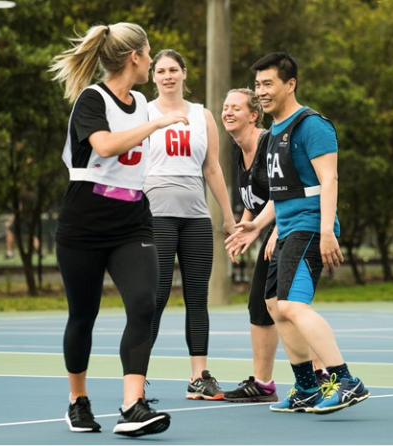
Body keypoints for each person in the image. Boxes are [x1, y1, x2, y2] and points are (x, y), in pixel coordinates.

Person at [49, 23, 188, 436]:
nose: (151, 61)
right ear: (135, 57)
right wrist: (157, 124)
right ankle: (78, 400)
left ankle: (133, 406)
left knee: (144, 304)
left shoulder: (141, 100)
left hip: (132, 219)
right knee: (83, 315)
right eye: (148, 55)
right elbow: (106, 146)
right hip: (85, 218)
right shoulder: (92, 99)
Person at [234, 52, 369, 414]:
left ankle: (345, 381)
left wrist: (327, 232)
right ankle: (307, 388)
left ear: (290, 84)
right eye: (258, 85)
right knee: (275, 307)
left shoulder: (312, 125)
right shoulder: (274, 131)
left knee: (293, 305)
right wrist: (258, 225)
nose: (262, 92)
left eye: (268, 84)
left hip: (310, 226)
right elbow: (282, 193)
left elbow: (329, 180)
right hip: (288, 225)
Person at [145, 49, 235, 401]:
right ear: (153, 77)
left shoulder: (202, 115)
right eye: (161, 70)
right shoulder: (143, 112)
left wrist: (227, 216)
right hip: (156, 214)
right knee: (157, 295)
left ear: (184, 73)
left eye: (173, 70)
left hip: (196, 217)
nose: (168, 76)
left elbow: (212, 168)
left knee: (198, 297)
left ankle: (199, 376)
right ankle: (137, 371)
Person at [220, 88, 280, 403]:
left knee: (285, 307)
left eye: (235, 108)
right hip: (268, 229)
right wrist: (246, 229)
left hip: (291, 227)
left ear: (253, 115)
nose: (227, 112)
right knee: (261, 304)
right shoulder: (237, 148)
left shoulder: (269, 143)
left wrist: (271, 230)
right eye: (225, 107)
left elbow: (284, 192)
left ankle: (329, 376)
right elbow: (252, 199)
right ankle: (263, 384)